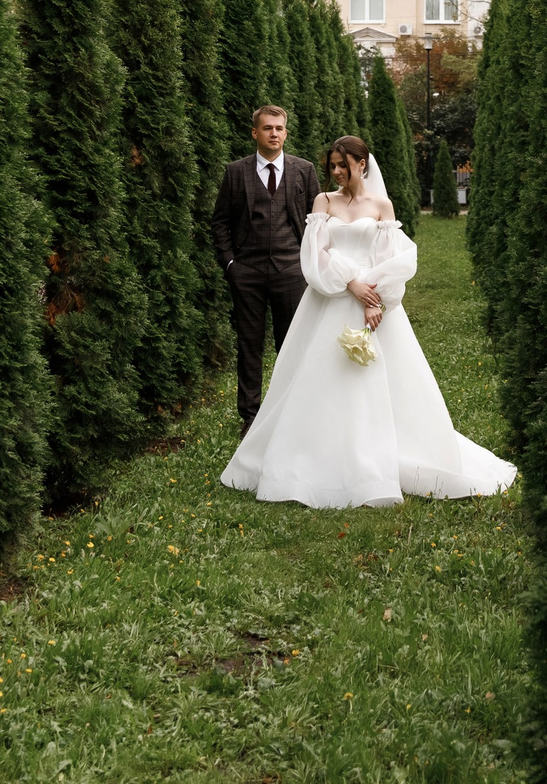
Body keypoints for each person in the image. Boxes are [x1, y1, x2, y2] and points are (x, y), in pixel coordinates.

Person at [220, 134, 516, 509]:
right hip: (328, 298)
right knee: (315, 378)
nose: (338, 172)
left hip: (373, 305)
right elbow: (314, 256)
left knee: (380, 383)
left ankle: (377, 458)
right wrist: (352, 283)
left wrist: (377, 301)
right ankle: (312, 456)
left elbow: (391, 259)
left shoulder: (381, 205)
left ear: (363, 164)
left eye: (345, 165)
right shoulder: (322, 201)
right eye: (333, 166)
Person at [210, 104, 320, 433]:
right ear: (255, 132)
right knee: (249, 343)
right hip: (248, 271)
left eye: (280, 128)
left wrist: (310, 264)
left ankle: (292, 409)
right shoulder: (236, 171)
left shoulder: (304, 170)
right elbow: (220, 222)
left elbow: (318, 223)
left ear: (286, 132)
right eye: (268, 128)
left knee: (292, 343)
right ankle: (251, 417)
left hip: (291, 269)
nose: (275, 133)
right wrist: (231, 264)